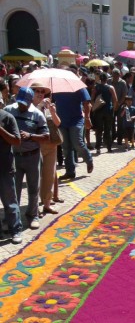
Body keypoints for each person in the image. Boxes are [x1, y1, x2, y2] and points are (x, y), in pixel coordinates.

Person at [4, 87, 49, 229]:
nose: (22, 105)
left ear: (31, 101)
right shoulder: (9, 110)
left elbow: (46, 136)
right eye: (20, 102)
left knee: (33, 188)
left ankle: (32, 214)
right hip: (14, 157)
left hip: (32, 156)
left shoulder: (37, 115)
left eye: (25, 103)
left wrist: (31, 136)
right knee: (13, 190)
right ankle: (11, 218)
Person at [32, 84, 62, 215]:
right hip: (37, 145)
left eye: (42, 92)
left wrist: (53, 111)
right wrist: (39, 107)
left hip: (51, 145)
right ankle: (35, 207)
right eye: (37, 91)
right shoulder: (30, 107)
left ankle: (47, 204)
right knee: (36, 176)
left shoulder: (49, 106)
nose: (40, 94)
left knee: (49, 175)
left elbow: (58, 123)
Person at [54, 82, 94, 181]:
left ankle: (89, 160)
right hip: (61, 121)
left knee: (77, 143)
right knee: (66, 147)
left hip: (76, 121)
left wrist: (87, 118)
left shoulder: (78, 87)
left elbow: (87, 103)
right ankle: (70, 172)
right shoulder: (56, 88)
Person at [0, 94, 23, 244]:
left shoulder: (7, 118)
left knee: (10, 201)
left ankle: (15, 230)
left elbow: (16, 141)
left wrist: (0, 130)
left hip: (5, 166)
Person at [92, 72, 117, 154]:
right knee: (108, 129)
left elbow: (92, 99)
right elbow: (115, 99)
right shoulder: (110, 88)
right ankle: (109, 147)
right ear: (107, 79)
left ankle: (98, 147)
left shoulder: (96, 87)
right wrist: (114, 108)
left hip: (99, 110)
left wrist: (94, 107)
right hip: (108, 110)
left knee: (99, 130)